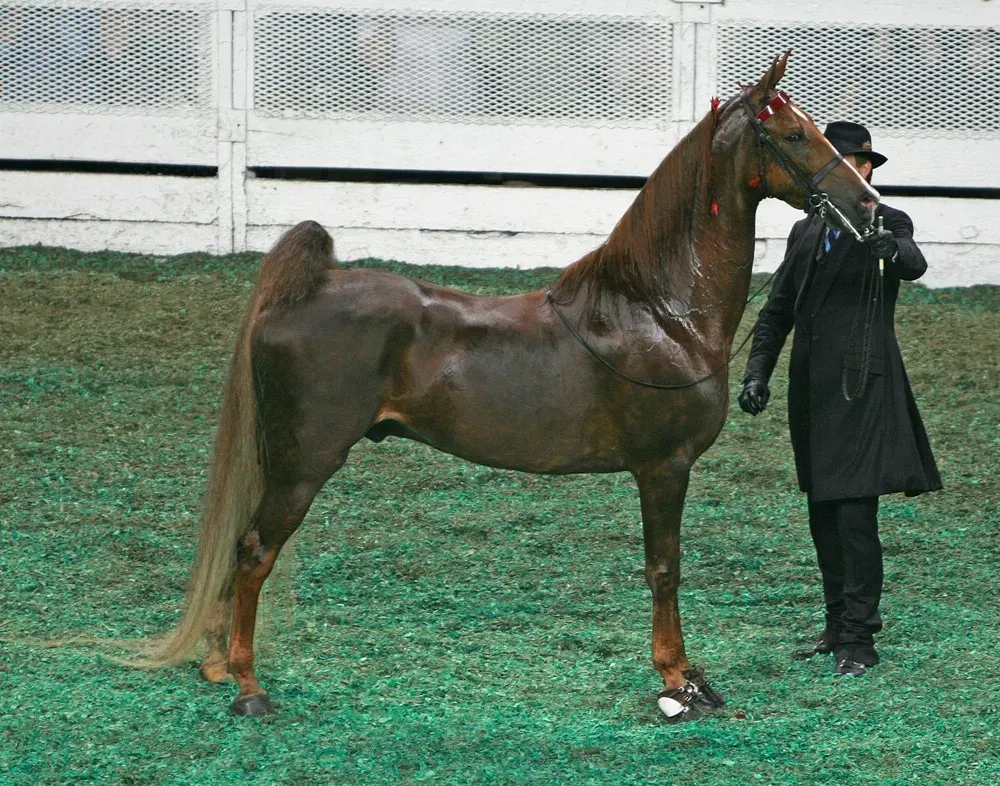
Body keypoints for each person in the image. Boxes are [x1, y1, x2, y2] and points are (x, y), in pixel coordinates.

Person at [738, 121, 942, 677]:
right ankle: (835, 625)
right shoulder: (805, 232)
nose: (856, 170)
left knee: (855, 515)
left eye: (862, 162)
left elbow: (913, 262)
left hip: (862, 386)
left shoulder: (886, 220)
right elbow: (777, 310)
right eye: (844, 162)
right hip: (812, 389)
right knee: (822, 513)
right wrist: (758, 372)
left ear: (870, 169)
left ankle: (860, 637)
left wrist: (888, 248)